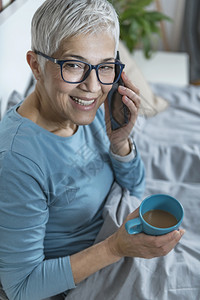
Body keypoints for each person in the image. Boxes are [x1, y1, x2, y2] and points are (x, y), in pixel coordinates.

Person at [0, 1, 185, 299]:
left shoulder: (92, 106)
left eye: (106, 66)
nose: (93, 86)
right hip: (86, 274)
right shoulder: (18, 161)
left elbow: (135, 185)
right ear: (36, 65)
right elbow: (20, 287)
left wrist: (120, 143)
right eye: (74, 65)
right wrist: (116, 246)